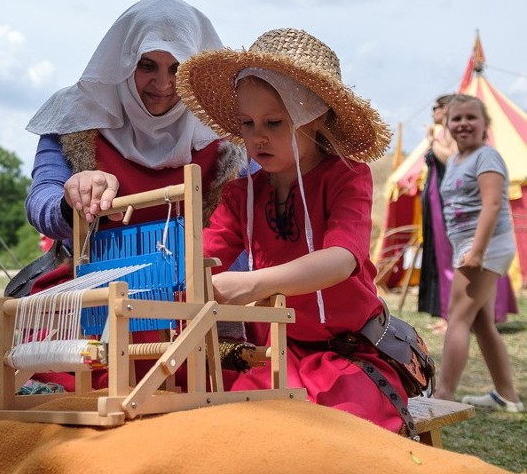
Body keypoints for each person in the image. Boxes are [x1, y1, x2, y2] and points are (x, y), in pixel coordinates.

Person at [177, 28, 415, 434]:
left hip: (351, 355)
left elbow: (341, 260)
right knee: (241, 424)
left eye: (274, 122)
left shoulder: (347, 177)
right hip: (280, 355)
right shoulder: (242, 194)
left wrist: (254, 283)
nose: (258, 137)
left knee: (340, 429)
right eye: (248, 123)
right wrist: (180, 276)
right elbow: (201, 261)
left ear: (315, 117)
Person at [22, 0, 246, 390]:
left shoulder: (227, 136)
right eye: (147, 66)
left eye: (178, 69)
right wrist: (71, 198)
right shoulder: (76, 118)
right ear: (124, 61)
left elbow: (251, 220)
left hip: (192, 300)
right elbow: (41, 201)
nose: (162, 85)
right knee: (69, 379)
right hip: (92, 292)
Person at [434, 94, 523, 412]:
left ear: (486, 124)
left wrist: (477, 252)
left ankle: (443, 396)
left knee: (457, 318)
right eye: (456, 119)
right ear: (447, 125)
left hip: (483, 248)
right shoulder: (458, 160)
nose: (463, 124)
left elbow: (493, 204)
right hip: (470, 247)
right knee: (482, 323)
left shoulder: (487, 156)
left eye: (471, 117)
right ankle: (508, 397)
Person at [417, 94, 458, 333]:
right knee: (438, 258)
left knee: (448, 258)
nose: (432, 112)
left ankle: (452, 317)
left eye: (436, 107)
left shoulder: (451, 132)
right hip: (434, 201)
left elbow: (452, 159)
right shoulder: (444, 132)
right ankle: (444, 314)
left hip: (445, 202)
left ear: (446, 109)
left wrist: (433, 140)